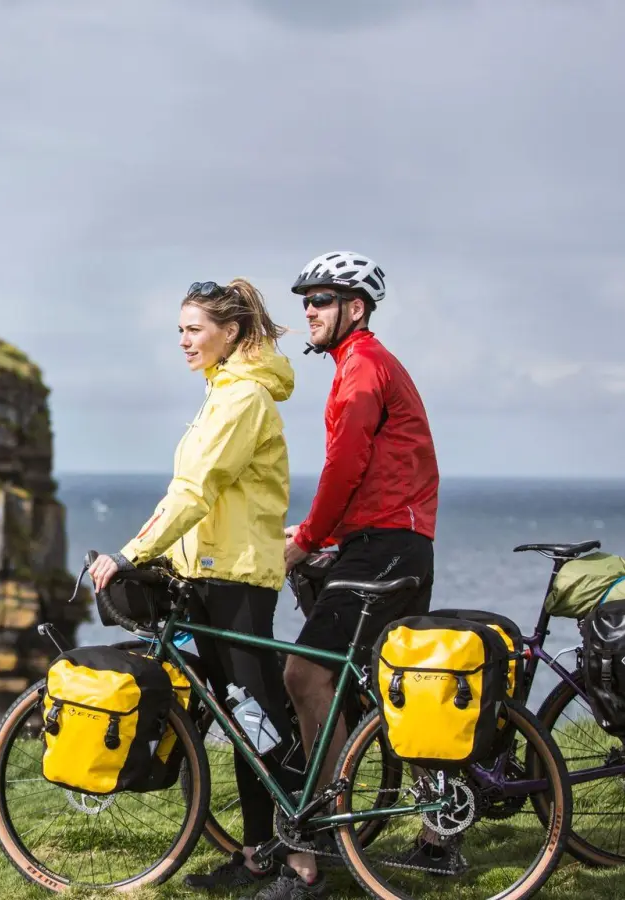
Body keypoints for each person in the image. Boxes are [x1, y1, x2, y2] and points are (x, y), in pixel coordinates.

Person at [86, 278, 303, 895]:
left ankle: (300, 858)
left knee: (258, 719)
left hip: (234, 578)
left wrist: (130, 553)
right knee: (241, 719)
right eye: (179, 330)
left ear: (230, 333)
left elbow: (193, 491)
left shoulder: (241, 400)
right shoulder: (222, 392)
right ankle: (259, 853)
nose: (184, 341)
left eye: (195, 330)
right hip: (208, 573)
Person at [275, 250, 443, 895]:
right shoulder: (359, 364)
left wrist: (310, 538)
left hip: (385, 547)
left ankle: (328, 823)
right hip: (384, 540)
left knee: (305, 673)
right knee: (383, 684)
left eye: (321, 300)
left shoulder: (363, 367)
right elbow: (371, 473)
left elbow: (345, 467)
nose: (309, 311)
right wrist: (323, 534)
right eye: (306, 301)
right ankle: (436, 826)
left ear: (356, 308)